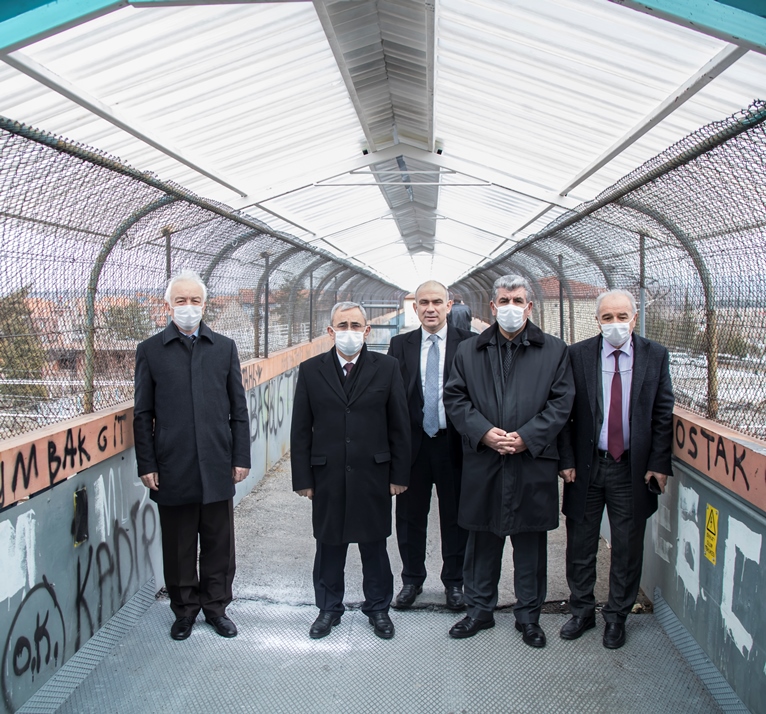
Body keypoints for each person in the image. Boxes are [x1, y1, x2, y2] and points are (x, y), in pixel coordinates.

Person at [443, 275, 574, 647]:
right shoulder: (469, 351)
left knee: (530, 543)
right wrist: (484, 432)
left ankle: (529, 617)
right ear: (493, 306)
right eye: (504, 301)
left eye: (518, 301)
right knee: (481, 539)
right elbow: (455, 398)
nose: (511, 307)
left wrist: (527, 437)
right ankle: (478, 611)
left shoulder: (554, 350)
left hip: (531, 460)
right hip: (485, 459)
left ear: (529, 306)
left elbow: (561, 402)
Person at [133, 270, 251, 641]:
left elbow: (238, 409)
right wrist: (147, 463)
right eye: (180, 300)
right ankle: (184, 611)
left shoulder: (224, 348)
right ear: (168, 306)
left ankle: (216, 609)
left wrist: (241, 456)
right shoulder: (150, 351)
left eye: (194, 300)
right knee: (179, 546)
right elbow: (142, 413)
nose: (188, 307)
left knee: (219, 544)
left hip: (217, 462)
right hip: (173, 465)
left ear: (205, 304)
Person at [557, 289, 674, 649]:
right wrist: (566, 460)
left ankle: (617, 616)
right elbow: (564, 412)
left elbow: (662, 412)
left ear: (634, 318)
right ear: (598, 321)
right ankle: (582, 611)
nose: (615, 324)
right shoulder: (578, 355)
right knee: (580, 543)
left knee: (626, 546)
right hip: (587, 467)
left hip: (631, 469)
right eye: (607, 317)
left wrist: (658, 463)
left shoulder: (655, 355)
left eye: (622, 317)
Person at [291, 301, 410, 640]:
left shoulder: (387, 368)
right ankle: (328, 608)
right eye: (342, 325)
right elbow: (301, 429)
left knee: (374, 545)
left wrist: (399, 475)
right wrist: (303, 478)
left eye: (356, 325)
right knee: (329, 544)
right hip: (327, 475)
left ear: (367, 330)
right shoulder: (311, 370)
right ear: (330, 331)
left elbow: (399, 426)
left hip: (373, 474)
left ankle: (378, 609)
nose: (349, 331)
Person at [388, 281, 474, 611]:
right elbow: (391, 396)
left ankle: (454, 583)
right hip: (414, 445)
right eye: (424, 302)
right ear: (415, 308)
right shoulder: (401, 344)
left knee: (455, 516)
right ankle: (412, 580)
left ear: (449, 306)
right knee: (410, 516)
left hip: (454, 444)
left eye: (437, 301)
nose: (430, 308)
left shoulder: (469, 343)